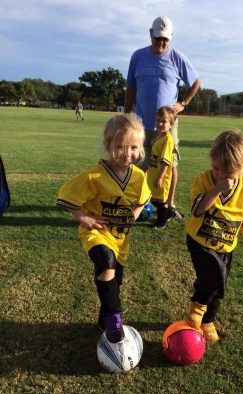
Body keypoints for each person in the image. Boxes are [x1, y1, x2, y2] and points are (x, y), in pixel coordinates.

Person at [56, 113, 151, 343]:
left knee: (114, 283)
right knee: (106, 265)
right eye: (120, 146)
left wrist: (134, 216)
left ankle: (103, 319)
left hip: (121, 240)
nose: (127, 153)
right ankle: (115, 320)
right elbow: (67, 196)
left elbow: (143, 200)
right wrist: (85, 219)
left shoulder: (138, 177)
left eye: (133, 148)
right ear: (107, 145)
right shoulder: (94, 176)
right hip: (96, 234)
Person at [185, 129, 243, 342]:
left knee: (219, 286)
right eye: (216, 168)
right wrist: (215, 190)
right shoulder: (203, 179)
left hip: (226, 246)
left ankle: (208, 320)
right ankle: (195, 309)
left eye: (227, 171)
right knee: (213, 276)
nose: (220, 174)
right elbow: (197, 210)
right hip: (199, 241)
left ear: (241, 167)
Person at [124, 16, 201, 220]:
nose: (161, 43)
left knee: (170, 166)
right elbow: (131, 86)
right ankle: (138, 203)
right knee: (140, 164)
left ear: (171, 37)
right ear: (151, 33)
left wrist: (183, 103)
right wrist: (126, 113)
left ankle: (169, 206)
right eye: (158, 38)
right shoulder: (138, 57)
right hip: (141, 123)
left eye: (165, 39)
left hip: (167, 126)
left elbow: (195, 81)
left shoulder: (177, 58)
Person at [147, 106, 175, 229]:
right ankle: (169, 213)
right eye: (158, 120)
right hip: (154, 173)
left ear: (171, 124)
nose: (160, 123)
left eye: (164, 121)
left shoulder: (168, 140)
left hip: (162, 176)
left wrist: (160, 178)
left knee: (161, 200)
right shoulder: (159, 136)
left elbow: (166, 162)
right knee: (153, 198)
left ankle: (161, 222)